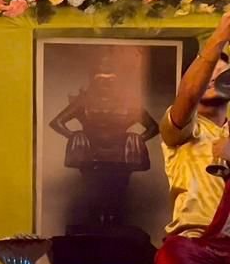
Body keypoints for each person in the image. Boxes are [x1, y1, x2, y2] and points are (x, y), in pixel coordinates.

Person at [126, 11, 230, 264]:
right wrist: (220, 36)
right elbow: (188, 94)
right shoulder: (182, 127)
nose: (215, 75)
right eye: (208, 69)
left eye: (223, 68)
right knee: (177, 260)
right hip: (194, 247)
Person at [48, 55, 160, 228]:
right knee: (92, 192)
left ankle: (114, 225)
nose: (106, 83)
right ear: (93, 80)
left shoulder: (128, 103)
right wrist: (75, 136)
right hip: (91, 155)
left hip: (120, 156)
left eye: (111, 79)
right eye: (101, 78)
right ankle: (95, 225)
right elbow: (57, 122)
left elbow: (153, 127)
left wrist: (137, 139)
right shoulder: (83, 101)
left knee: (119, 192)